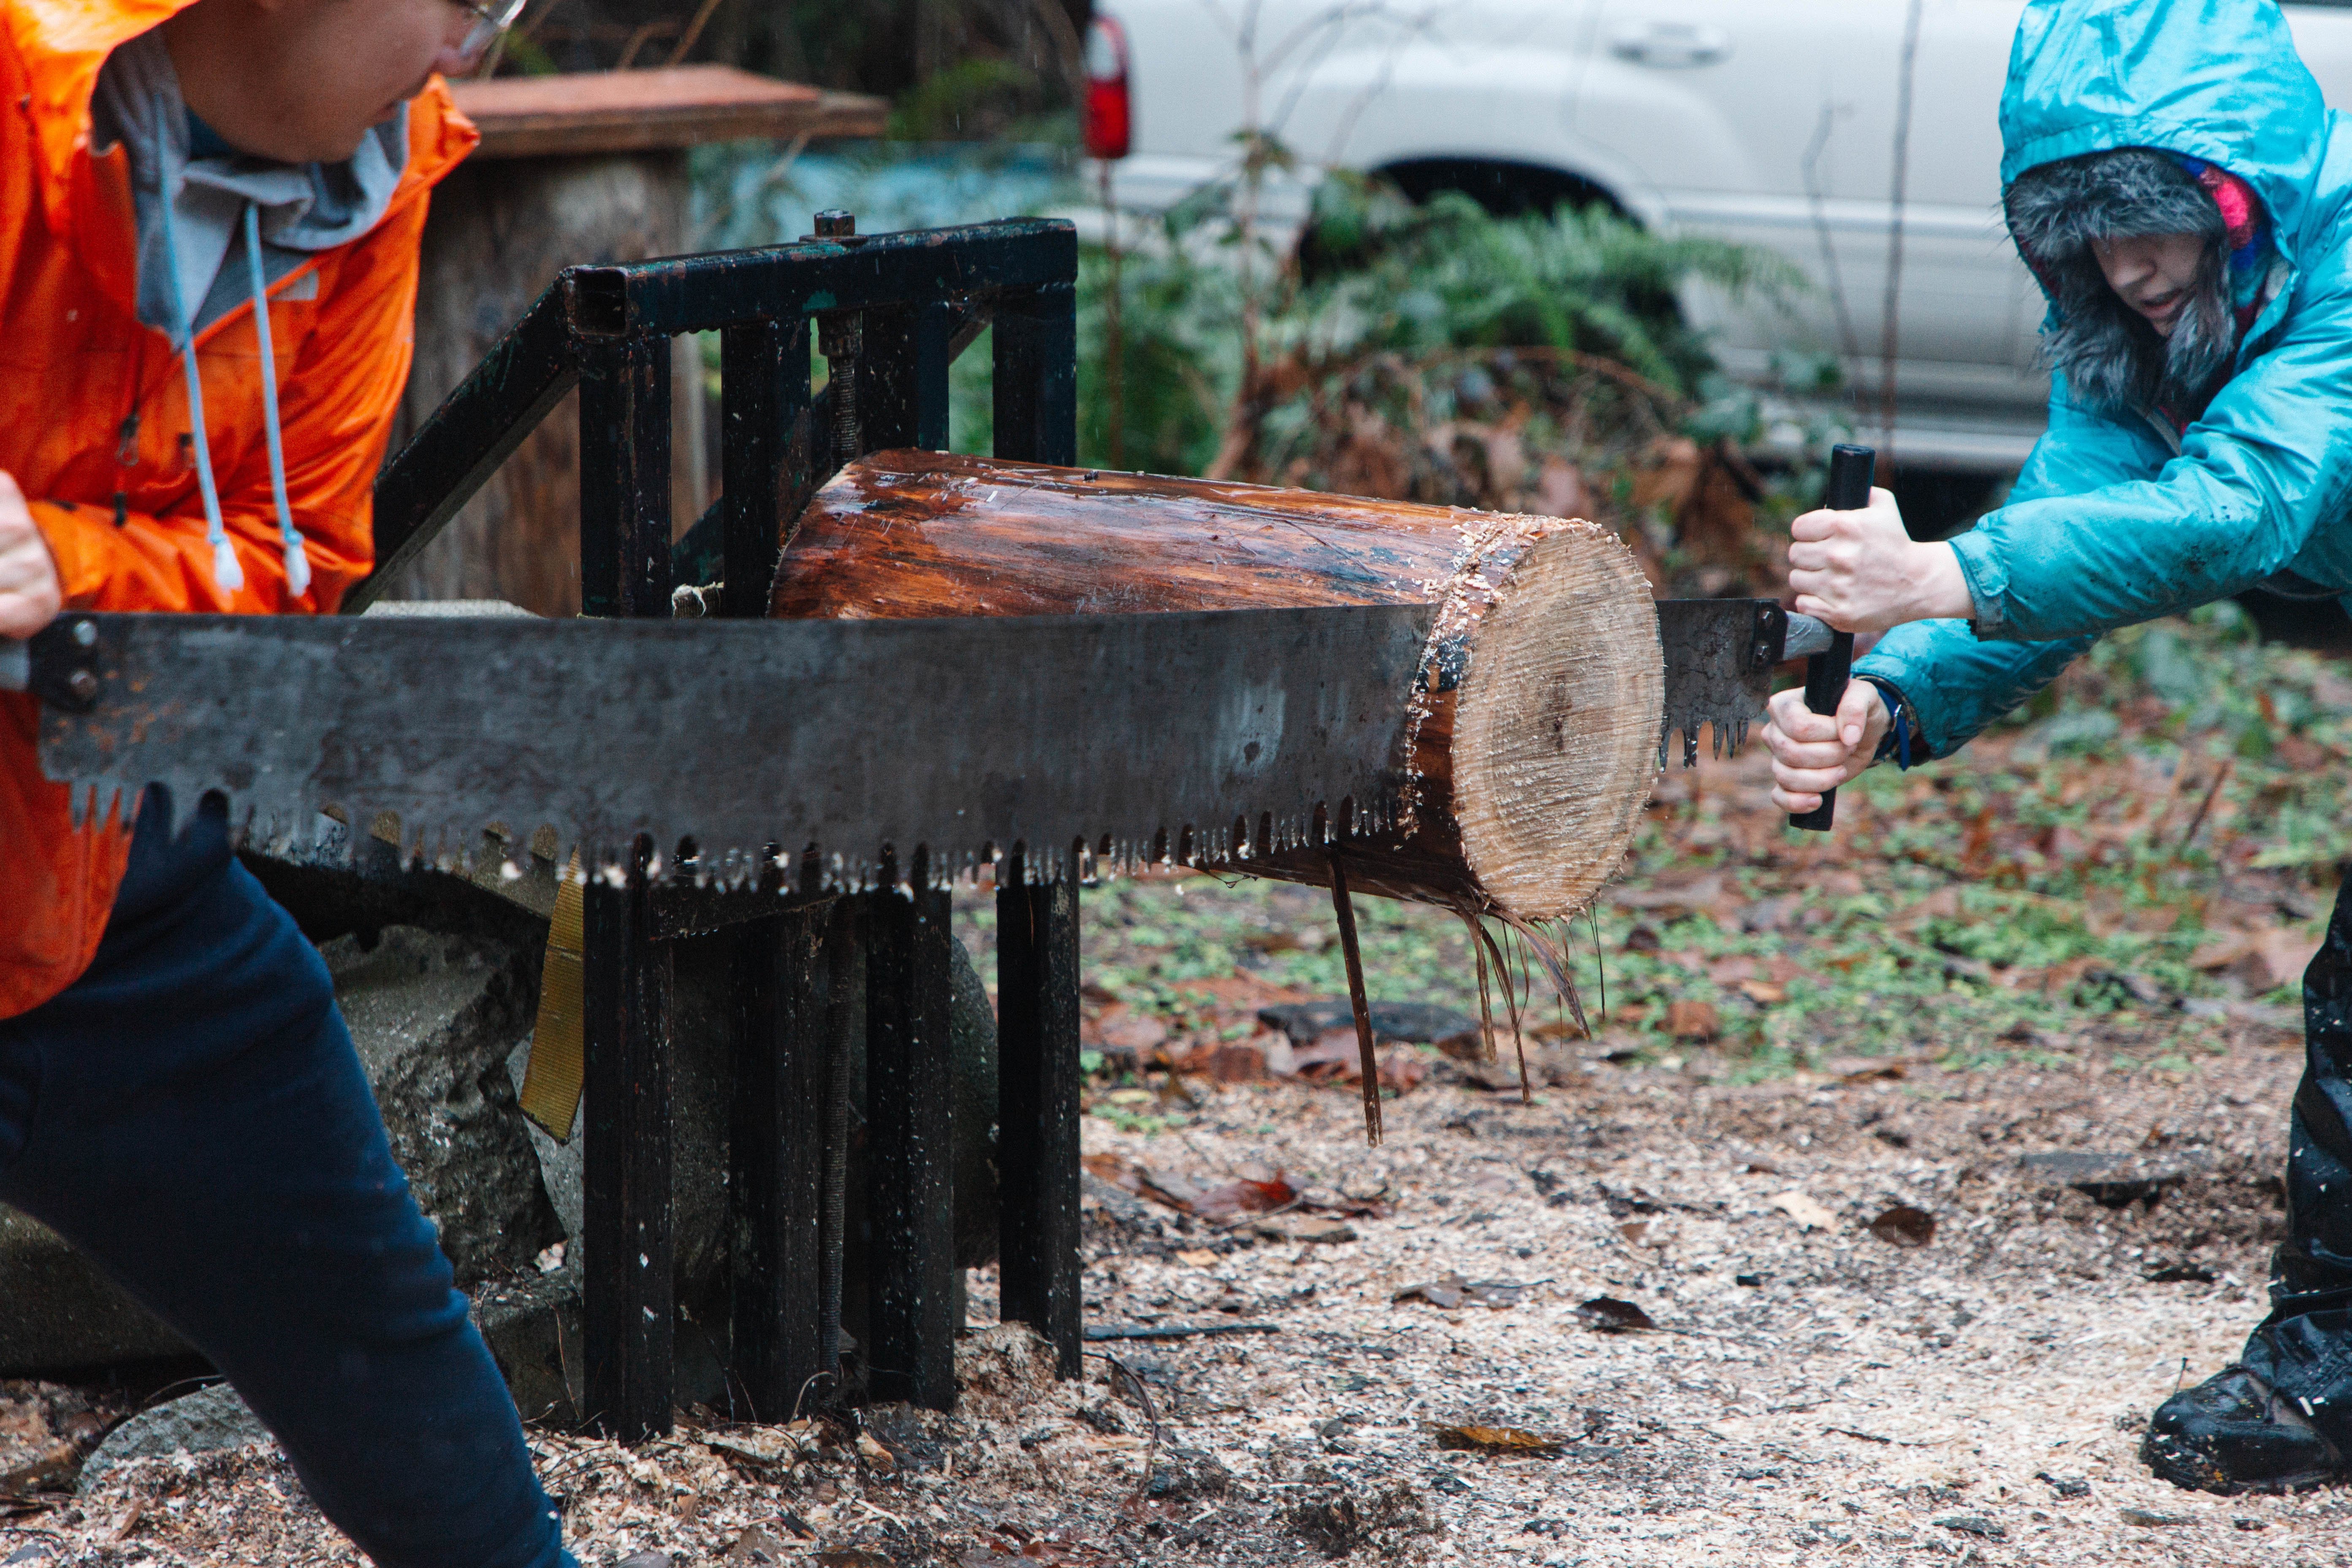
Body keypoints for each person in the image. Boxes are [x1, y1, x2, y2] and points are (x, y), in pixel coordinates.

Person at [0, 1, 576, 1564]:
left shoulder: (375, 189)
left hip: (124, 889)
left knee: (391, 1366)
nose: (482, 38)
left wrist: (75, 570)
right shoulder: (16, 93)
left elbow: (292, 563)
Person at [1763, 0, 2352, 1497]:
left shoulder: (2338, 284)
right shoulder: (2138, 344)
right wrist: (1887, 699)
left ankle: (2328, 1376)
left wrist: (1933, 571)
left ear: (2247, 194)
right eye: (2090, 233)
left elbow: (2235, 506)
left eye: (2161, 224)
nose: (2133, 267)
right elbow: (2063, 532)